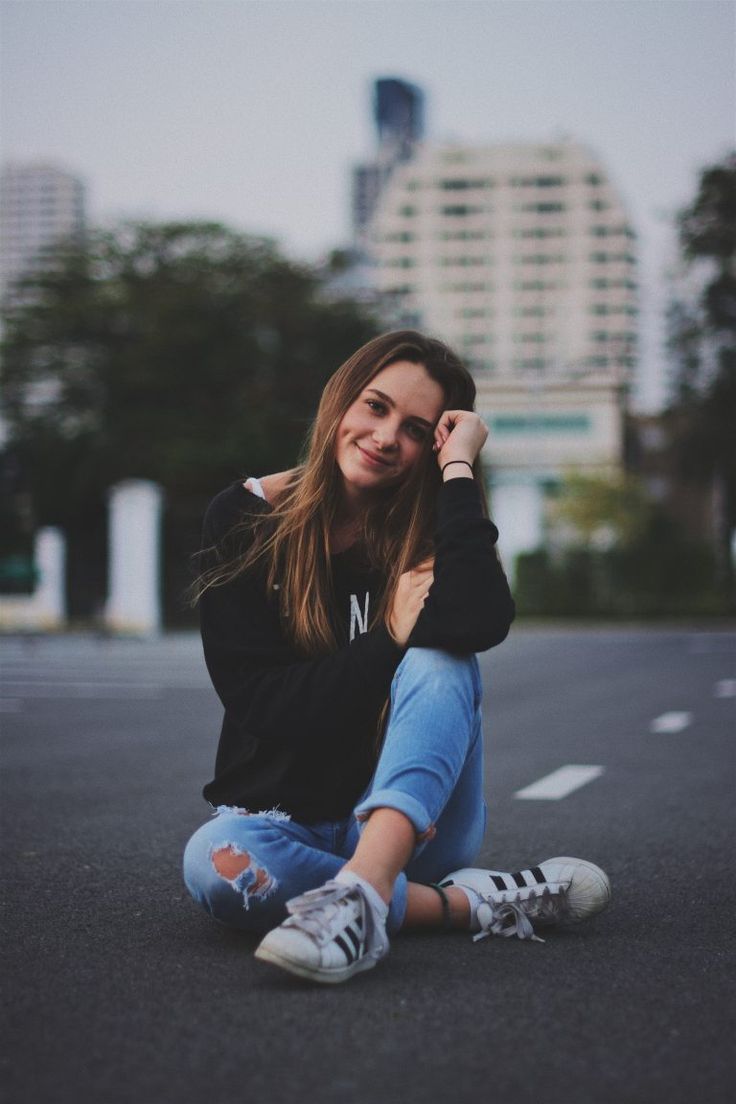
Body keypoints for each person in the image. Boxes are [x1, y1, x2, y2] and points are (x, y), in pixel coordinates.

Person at [183, 330, 610, 984]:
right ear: (341, 403)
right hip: (279, 821)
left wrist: (460, 469)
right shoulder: (247, 519)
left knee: (441, 659)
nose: (385, 437)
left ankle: (363, 894)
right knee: (216, 863)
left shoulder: (425, 530)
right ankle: (462, 905)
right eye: (375, 407)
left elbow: (481, 623)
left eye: (415, 429)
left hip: (412, 827)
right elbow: (264, 707)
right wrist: (386, 635)